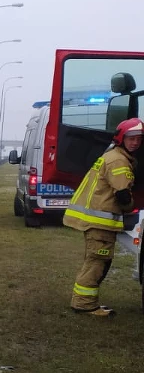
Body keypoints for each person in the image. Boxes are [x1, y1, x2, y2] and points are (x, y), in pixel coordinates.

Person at [62, 118, 143, 316]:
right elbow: (123, 194)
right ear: (121, 138)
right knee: (97, 262)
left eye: (139, 139)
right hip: (100, 223)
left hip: (97, 221)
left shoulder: (112, 155)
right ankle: (84, 304)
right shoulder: (119, 160)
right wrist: (133, 206)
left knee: (94, 260)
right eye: (131, 138)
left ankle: (82, 302)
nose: (135, 143)